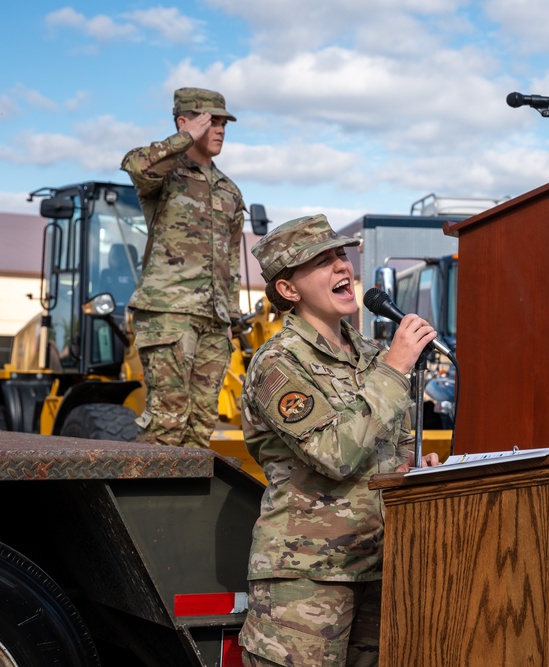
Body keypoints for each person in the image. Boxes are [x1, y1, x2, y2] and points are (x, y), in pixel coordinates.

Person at [238, 214, 441, 666]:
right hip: (307, 579)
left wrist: (413, 465)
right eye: (321, 261)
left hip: (380, 566)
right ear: (288, 289)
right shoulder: (278, 362)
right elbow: (335, 454)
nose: (342, 266)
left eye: (341, 255)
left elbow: (395, 442)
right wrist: (396, 368)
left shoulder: (372, 356)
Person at [121, 87, 245, 448]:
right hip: (168, 312)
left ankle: (186, 489)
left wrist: (229, 319)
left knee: (201, 426)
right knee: (167, 421)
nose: (220, 129)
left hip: (213, 320)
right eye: (211, 121)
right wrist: (185, 138)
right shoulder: (165, 174)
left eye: (224, 123)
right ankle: (150, 488)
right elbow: (136, 166)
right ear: (183, 121)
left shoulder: (229, 191)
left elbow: (231, 259)